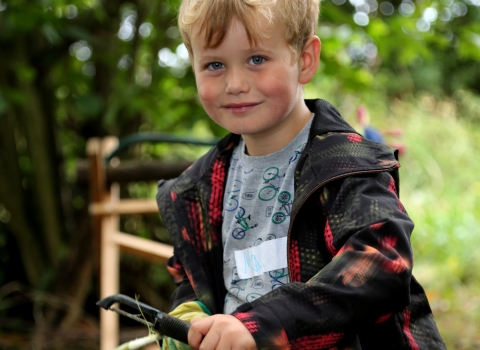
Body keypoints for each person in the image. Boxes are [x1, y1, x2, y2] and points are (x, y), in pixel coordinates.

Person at [156, 0, 445, 349]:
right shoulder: (200, 189)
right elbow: (192, 274)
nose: (234, 83)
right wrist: (190, 315)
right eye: (214, 64)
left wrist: (264, 324)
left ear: (305, 59)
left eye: (256, 59)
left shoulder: (345, 166)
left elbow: (383, 264)